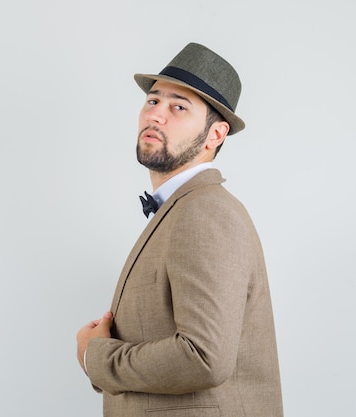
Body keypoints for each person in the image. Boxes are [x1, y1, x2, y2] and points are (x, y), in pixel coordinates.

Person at [76, 42, 283, 417]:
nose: (156, 116)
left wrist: (97, 358)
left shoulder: (205, 212)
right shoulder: (182, 210)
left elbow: (204, 357)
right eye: (153, 101)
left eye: (179, 107)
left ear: (215, 135)